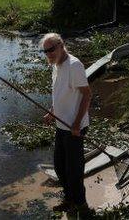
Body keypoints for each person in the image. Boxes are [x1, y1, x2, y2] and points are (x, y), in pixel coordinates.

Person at [40, 32, 91, 213]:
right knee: (59, 167)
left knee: (74, 170)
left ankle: (81, 205)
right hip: (61, 125)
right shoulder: (56, 65)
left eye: (51, 49)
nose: (49, 54)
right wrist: (52, 113)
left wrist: (77, 124)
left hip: (74, 127)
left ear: (61, 46)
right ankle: (69, 199)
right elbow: (60, 94)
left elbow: (87, 95)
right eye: (46, 51)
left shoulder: (74, 65)